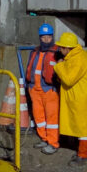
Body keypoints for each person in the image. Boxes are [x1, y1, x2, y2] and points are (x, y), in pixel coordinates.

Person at [53, 32, 87, 164]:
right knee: (84, 127)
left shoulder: (78, 59)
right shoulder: (78, 56)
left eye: (61, 47)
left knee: (83, 129)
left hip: (82, 99)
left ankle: (83, 155)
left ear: (67, 48)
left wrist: (59, 65)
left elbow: (68, 79)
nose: (59, 50)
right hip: (82, 97)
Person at [26, 23, 60, 154]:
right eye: (43, 37)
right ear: (40, 38)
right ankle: (44, 139)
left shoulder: (57, 52)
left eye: (49, 37)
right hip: (34, 90)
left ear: (52, 37)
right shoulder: (35, 51)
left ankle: (53, 143)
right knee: (39, 117)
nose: (46, 40)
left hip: (49, 90)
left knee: (52, 119)